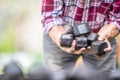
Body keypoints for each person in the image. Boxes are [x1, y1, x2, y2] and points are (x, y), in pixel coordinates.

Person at [41, 0, 120, 72]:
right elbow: (50, 16)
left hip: (102, 36)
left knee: (103, 76)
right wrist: (63, 40)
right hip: (59, 33)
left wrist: (100, 38)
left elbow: (117, 18)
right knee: (56, 75)